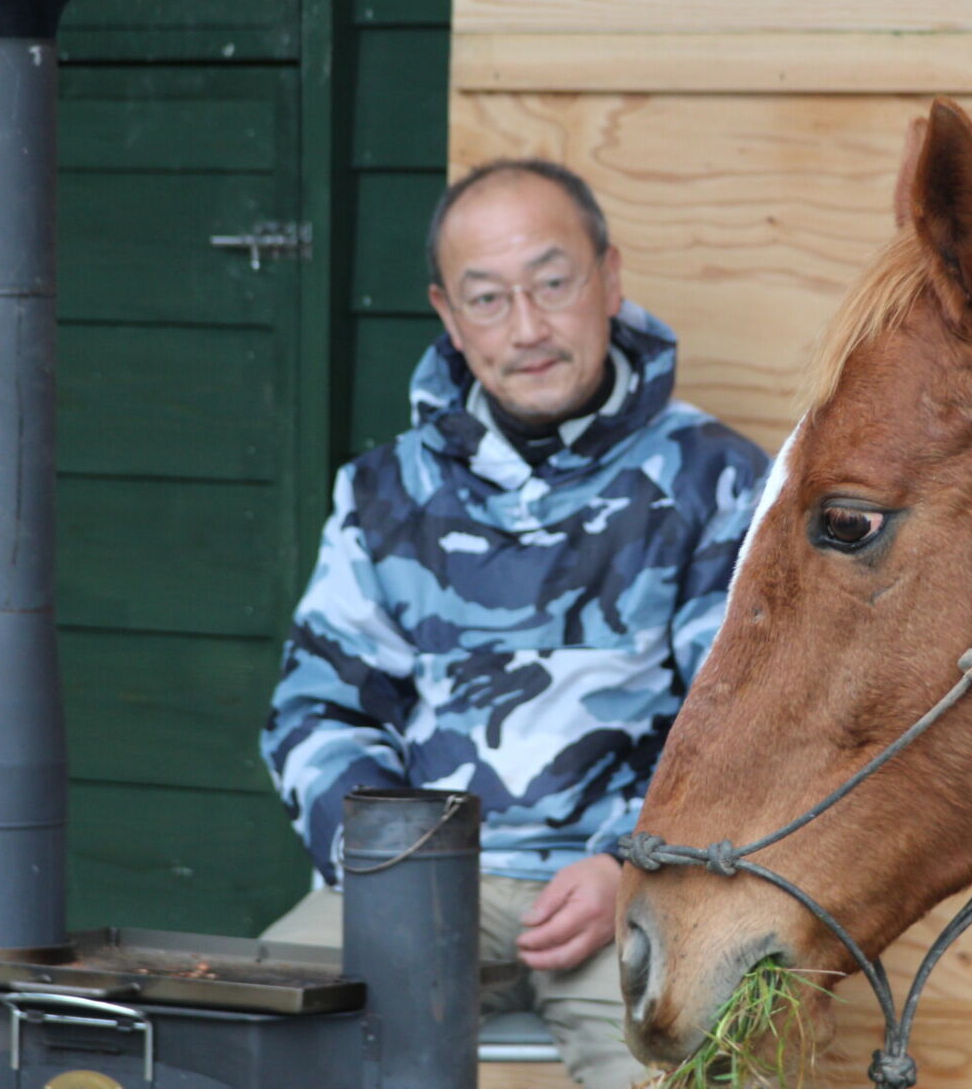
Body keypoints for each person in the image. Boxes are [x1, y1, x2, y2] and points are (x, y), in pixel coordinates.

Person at [259, 158, 769, 1089]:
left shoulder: (720, 482)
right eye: (487, 299)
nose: (527, 328)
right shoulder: (383, 493)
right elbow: (313, 714)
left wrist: (632, 861)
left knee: (701, 1072)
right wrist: (405, 880)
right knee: (249, 1049)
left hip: (642, 895)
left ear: (610, 277)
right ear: (449, 318)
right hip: (414, 884)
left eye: (553, 283)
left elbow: (749, 726)